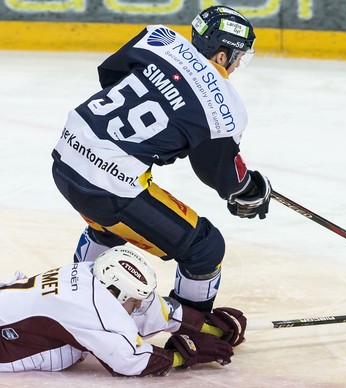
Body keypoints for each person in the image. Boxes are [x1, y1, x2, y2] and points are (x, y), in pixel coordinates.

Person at [51, 5, 271, 313]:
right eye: (237, 58)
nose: (235, 67)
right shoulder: (224, 105)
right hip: (107, 188)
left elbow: (110, 75)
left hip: (67, 155)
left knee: (109, 224)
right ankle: (192, 332)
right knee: (206, 249)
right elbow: (220, 174)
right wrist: (249, 191)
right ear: (222, 55)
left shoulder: (160, 38)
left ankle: (74, 303)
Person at [0, 245, 247, 376]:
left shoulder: (91, 272)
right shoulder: (91, 310)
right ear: (117, 292)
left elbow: (145, 307)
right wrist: (185, 356)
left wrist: (206, 326)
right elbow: (130, 361)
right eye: (135, 299)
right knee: (68, 353)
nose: (139, 304)